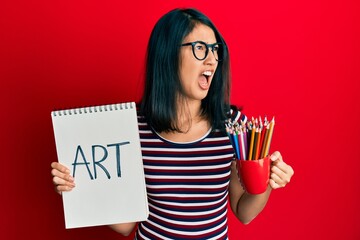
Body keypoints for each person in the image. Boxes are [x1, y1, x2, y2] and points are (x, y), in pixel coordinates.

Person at [51, 8, 294, 239]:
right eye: (200, 48)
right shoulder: (132, 127)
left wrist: (267, 181)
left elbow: (245, 212)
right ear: (168, 54)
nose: (212, 60)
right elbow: (125, 226)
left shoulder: (234, 127)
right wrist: (79, 186)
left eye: (215, 49)